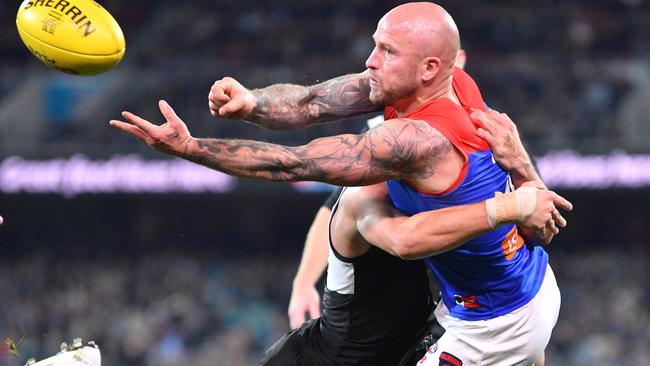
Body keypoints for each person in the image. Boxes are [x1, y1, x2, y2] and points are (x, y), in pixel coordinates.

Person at [110, 2, 567, 364]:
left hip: (493, 325)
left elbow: (292, 166)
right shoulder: (452, 84)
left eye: (387, 51)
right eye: (376, 45)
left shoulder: (415, 139)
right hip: (525, 283)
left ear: (429, 68)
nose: (370, 61)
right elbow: (310, 103)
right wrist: (251, 102)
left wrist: (190, 149)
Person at [289, 45, 466, 330]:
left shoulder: (487, 127)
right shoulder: (388, 132)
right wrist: (303, 282)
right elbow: (336, 207)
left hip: (468, 290)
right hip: (407, 295)